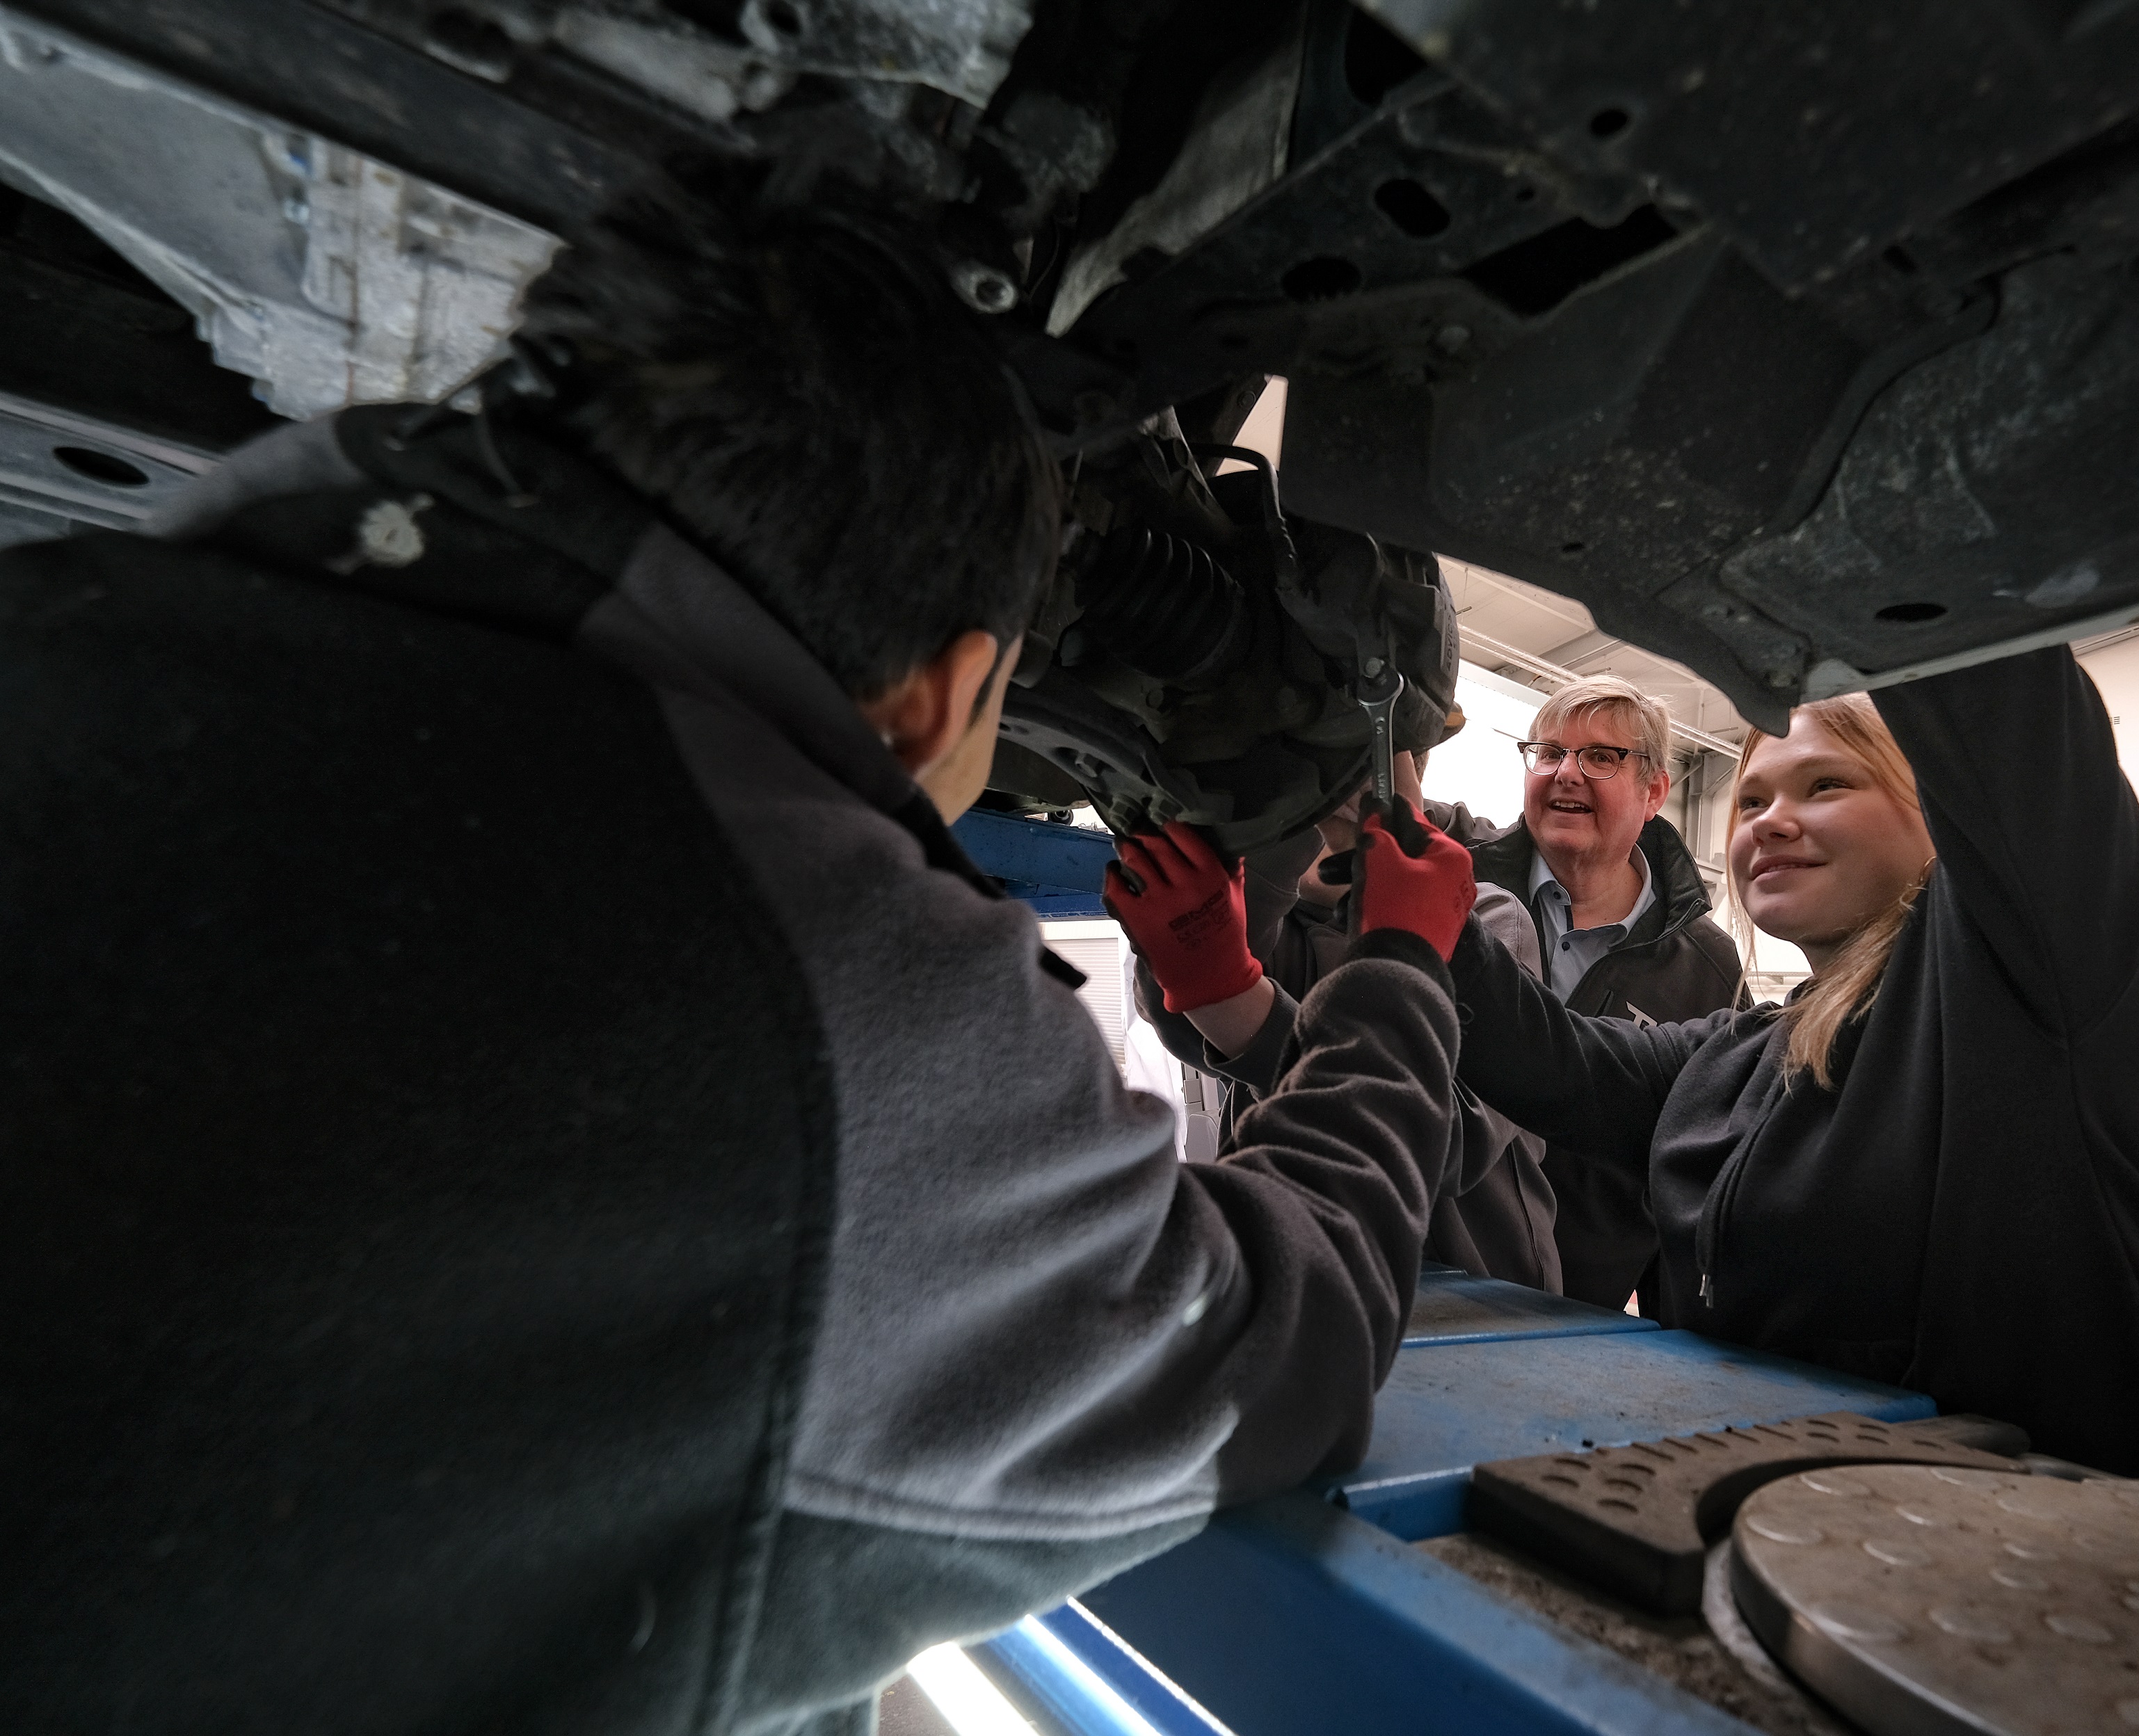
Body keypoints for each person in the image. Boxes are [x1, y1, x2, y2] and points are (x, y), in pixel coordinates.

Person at [0, 179, 1482, 1732]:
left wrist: (1277, 988)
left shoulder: (56, 628)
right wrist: (1388, 969)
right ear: (945, 692)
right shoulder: (827, 986)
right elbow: (1286, 1341)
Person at [1441, 648, 2139, 1507]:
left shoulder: (2025, 983)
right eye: (1751, 800)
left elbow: (2011, 715)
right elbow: (1558, 1061)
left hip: (2138, 1558)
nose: (1771, 822)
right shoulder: (1747, 1049)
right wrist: (1429, 899)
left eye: (1825, 787)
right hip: (1847, 1555)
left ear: (1938, 808)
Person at [1127, 749, 1564, 1289]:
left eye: (1345, 779)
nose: (1325, 812)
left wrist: (1236, 1003)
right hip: (1302, 1276)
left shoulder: (1483, 916)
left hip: (1489, 1295)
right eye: (1311, 799)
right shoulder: (1279, 928)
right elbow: (1181, 1024)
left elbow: (1452, 1138)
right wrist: (1277, 830)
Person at [1470, 675, 1750, 1309]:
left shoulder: (1707, 964)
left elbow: (1692, 1159)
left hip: (1584, 1308)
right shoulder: (1461, 889)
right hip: (1441, 1271)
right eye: (1548, 752)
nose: (1566, 772)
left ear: (1654, 792)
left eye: (1601, 756)